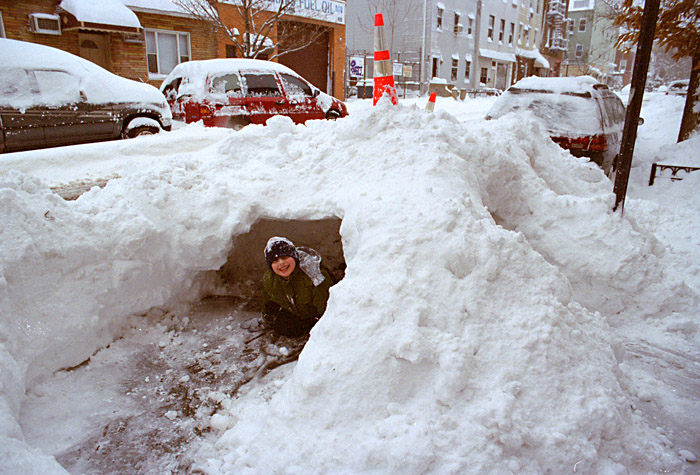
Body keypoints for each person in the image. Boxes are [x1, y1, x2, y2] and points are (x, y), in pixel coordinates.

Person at [262, 236, 334, 338]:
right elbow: (268, 302)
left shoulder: (314, 276)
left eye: (284, 257)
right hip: (297, 312)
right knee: (282, 326)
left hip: (315, 315)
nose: (281, 263)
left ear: (294, 258)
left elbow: (326, 307)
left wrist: (325, 330)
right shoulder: (270, 280)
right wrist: (268, 317)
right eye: (275, 261)